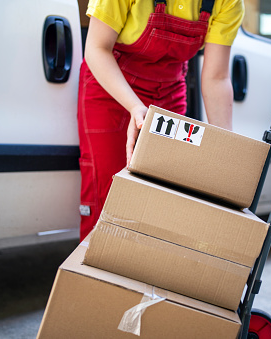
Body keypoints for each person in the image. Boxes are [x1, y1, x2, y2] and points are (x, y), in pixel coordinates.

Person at [77, 0, 244, 241]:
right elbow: (96, 48)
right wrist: (135, 107)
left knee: (162, 199)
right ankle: (94, 275)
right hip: (111, 89)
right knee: (108, 193)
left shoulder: (226, 2)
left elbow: (216, 77)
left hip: (168, 91)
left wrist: (226, 144)